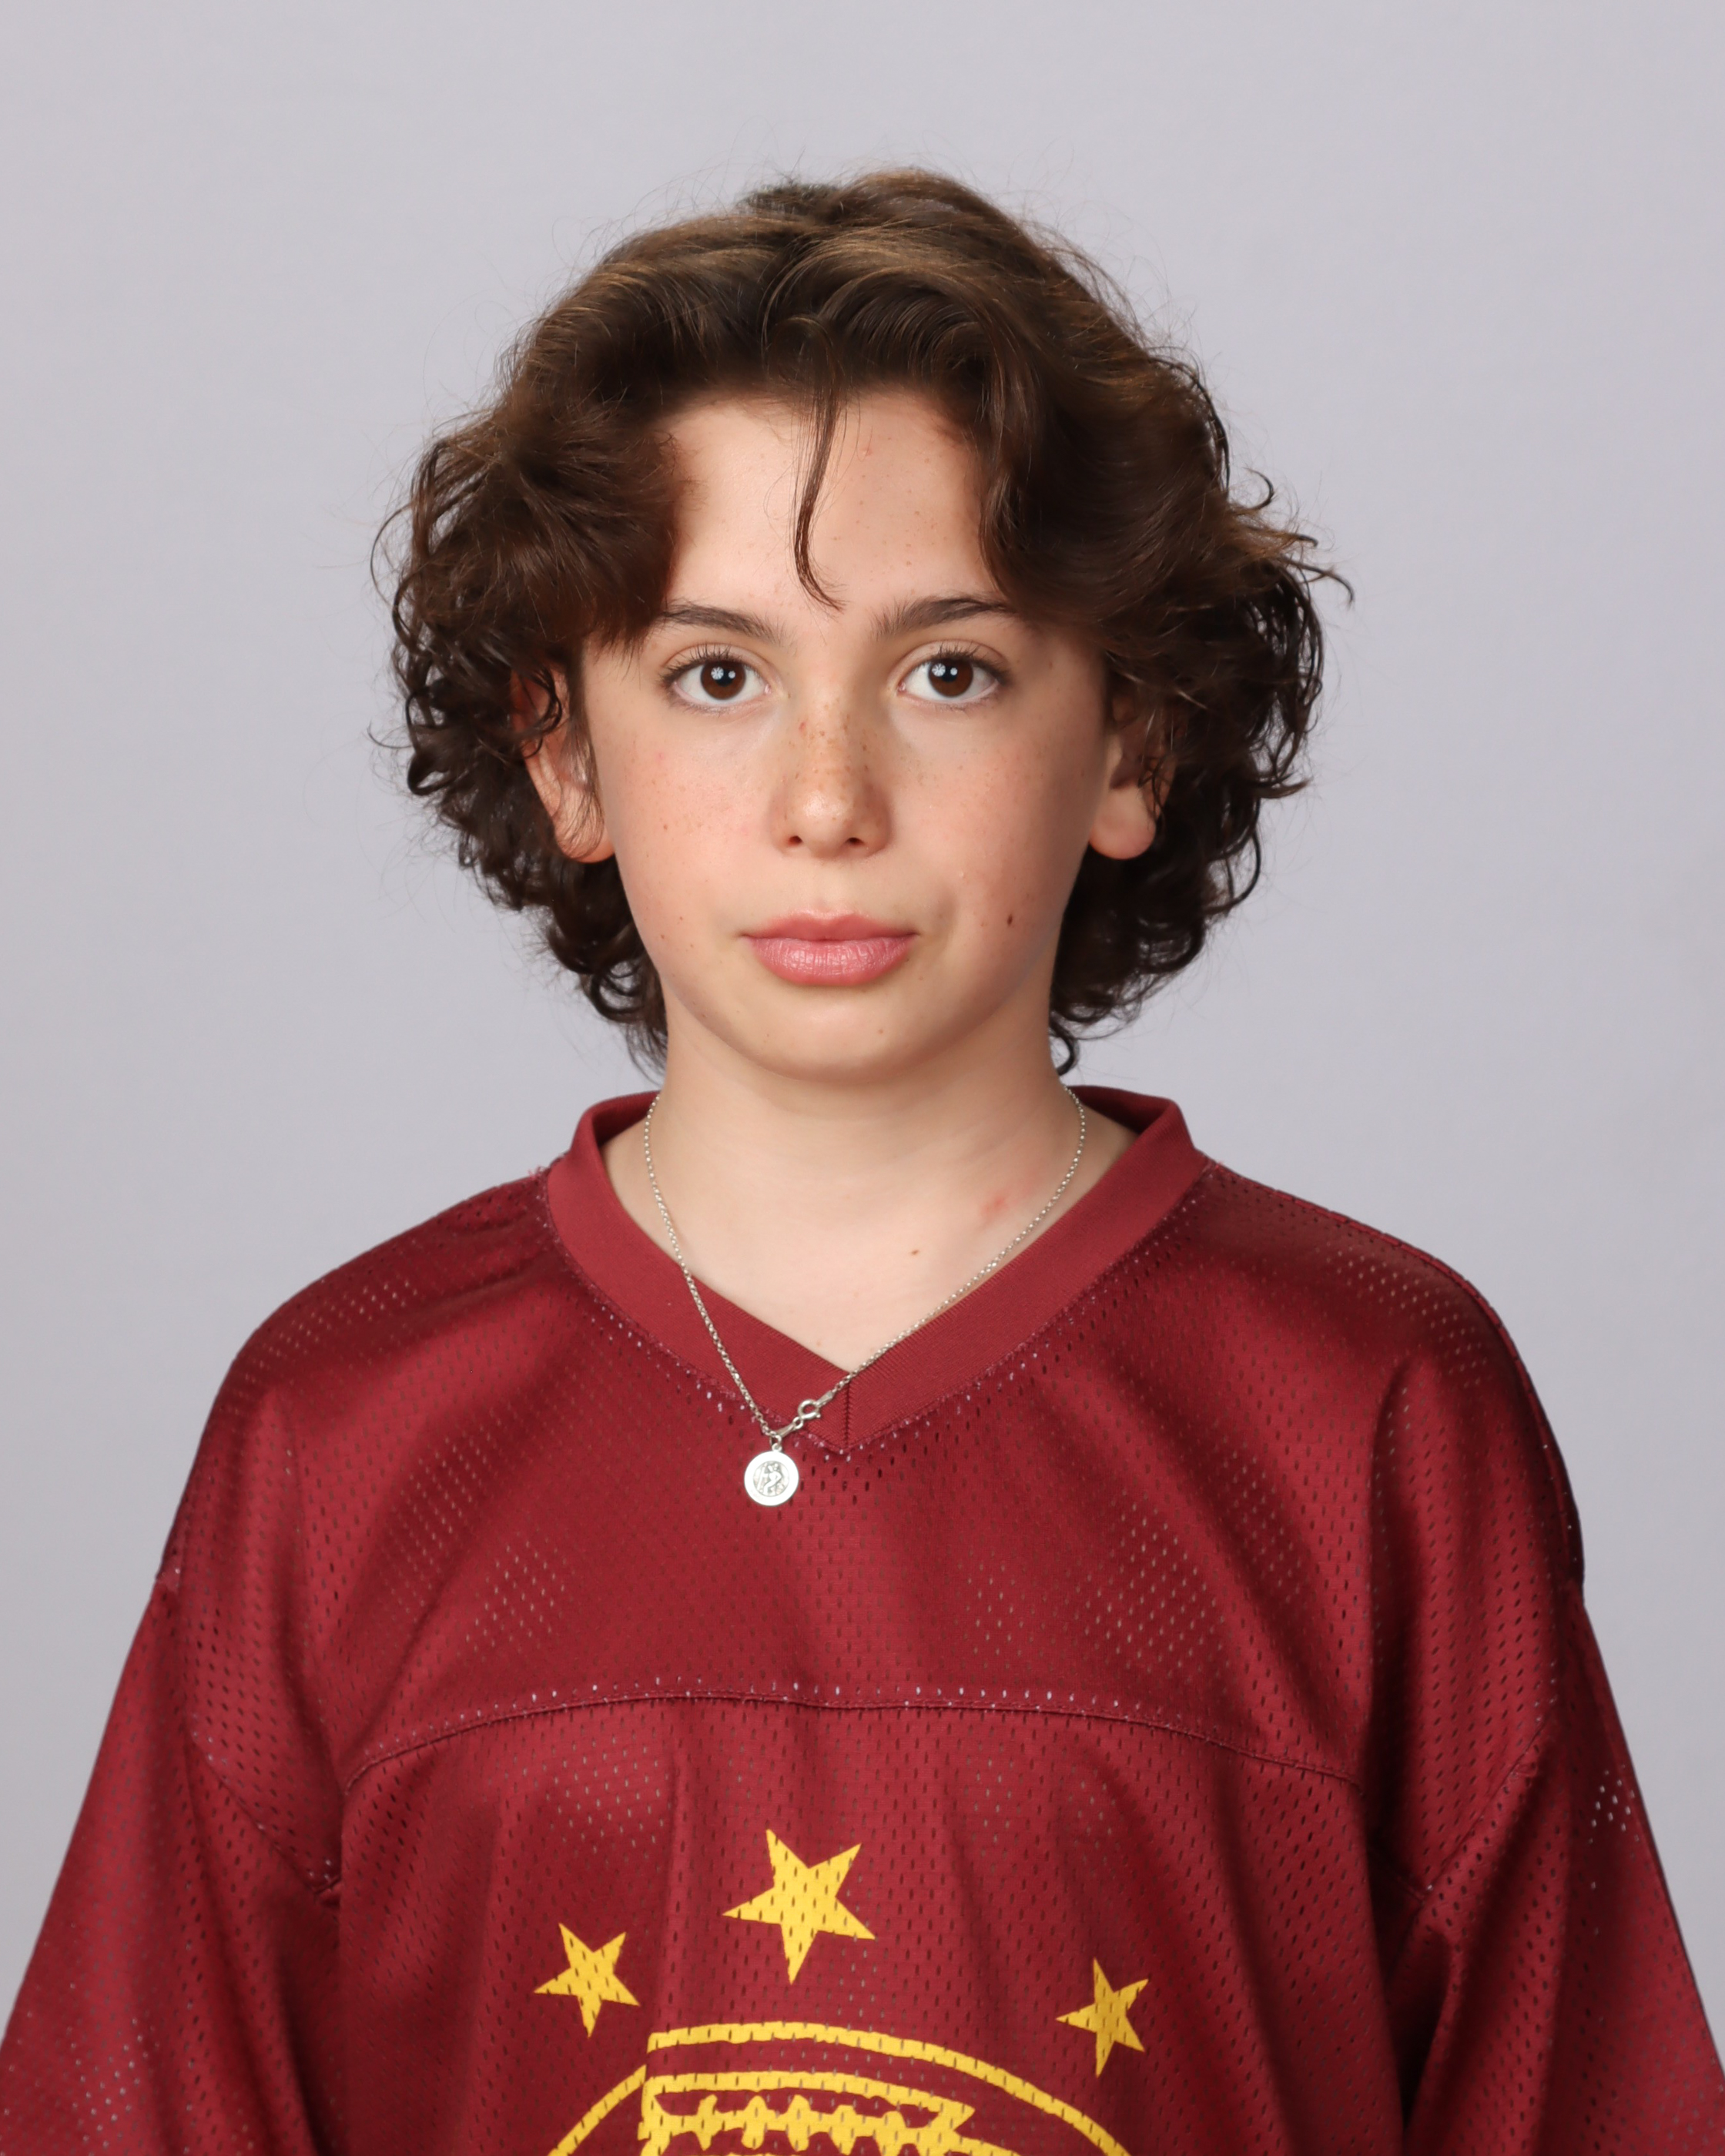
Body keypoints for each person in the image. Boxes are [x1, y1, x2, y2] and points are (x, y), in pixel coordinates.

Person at [1, 170, 1718, 2155]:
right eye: (717, 675)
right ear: (564, 751)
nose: (829, 800)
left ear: (1133, 741)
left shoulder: (1370, 1409)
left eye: (947, 671)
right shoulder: (349, 1426)